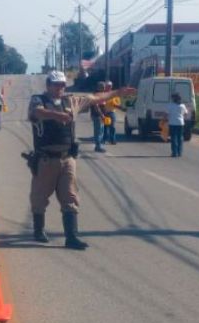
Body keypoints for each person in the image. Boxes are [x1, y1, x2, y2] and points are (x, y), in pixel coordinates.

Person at [26, 71, 135, 249]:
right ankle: (39, 230)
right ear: (48, 85)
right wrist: (57, 115)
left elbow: (95, 97)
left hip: (67, 158)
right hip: (46, 160)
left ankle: (72, 237)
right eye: (55, 84)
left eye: (62, 84)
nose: (60, 87)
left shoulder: (71, 101)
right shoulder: (38, 100)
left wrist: (117, 92)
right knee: (39, 198)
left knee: (70, 197)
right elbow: (37, 113)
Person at [161, 92, 190, 157]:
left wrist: (164, 120)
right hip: (181, 123)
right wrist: (182, 118)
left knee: (174, 137)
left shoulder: (170, 105)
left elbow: (166, 114)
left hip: (173, 123)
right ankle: (179, 152)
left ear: (174, 98)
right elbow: (186, 114)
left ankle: (174, 153)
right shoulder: (182, 105)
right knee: (180, 138)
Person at [89, 81, 107, 152]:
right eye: (103, 87)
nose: (104, 88)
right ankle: (98, 146)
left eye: (104, 87)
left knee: (101, 130)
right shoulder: (96, 94)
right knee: (98, 131)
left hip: (101, 115)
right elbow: (96, 106)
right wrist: (101, 114)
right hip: (97, 115)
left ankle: (99, 145)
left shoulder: (101, 94)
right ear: (99, 87)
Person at [102, 81, 118, 145]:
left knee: (112, 127)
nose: (109, 87)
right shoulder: (103, 94)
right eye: (108, 86)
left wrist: (117, 105)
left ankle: (112, 140)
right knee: (105, 127)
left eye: (110, 86)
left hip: (111, 112)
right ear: (105, 86)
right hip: (104, 113)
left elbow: (117, 102)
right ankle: (104, 139)